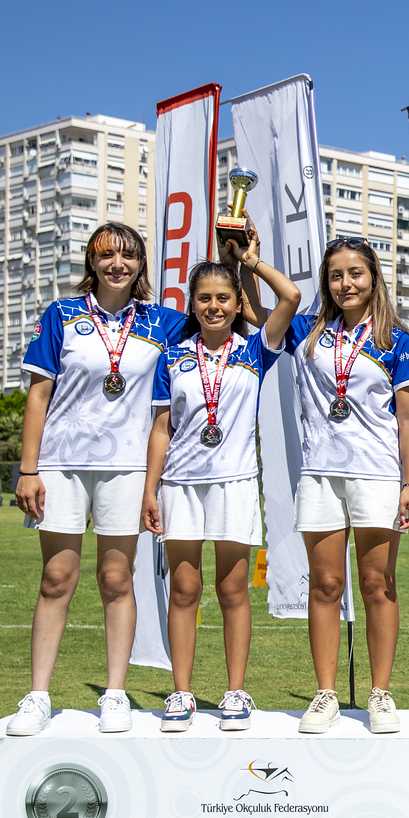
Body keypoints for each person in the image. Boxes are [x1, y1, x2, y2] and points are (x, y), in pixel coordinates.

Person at [6, 223, 189, 736]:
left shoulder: (165, 322)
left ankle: (114, 694)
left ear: (141, 264)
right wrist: (28, 469)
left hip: (128, 467)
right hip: (60, 464)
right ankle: (37, 696)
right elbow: (38, 395)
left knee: (116, 580)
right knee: (56, 579)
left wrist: (237, 254)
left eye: (128, 256)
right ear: (92, 261)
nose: (117, 265)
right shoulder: (62, 314)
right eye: (107, 255)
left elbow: (227, 315)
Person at [142, 225, 301, 731]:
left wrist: (249, 262)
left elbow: (291, 297)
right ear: (192, 304)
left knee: (233, 591)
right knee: (184, 591)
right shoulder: (172, 357)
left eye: (223, 298)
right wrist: (150, 489)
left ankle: (235, 692)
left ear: (237, 305)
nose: (213, 307)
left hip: (234, 482)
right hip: (180, 484)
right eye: (204, 299)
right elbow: (162, 428)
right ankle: (182, 693)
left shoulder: (256, 349)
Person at [289, 238, 409, 734]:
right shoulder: (306, 330)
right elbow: (264, 309)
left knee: (377, 584)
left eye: (355, 273)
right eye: (335, 275)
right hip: (320, 473)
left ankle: (380, 694)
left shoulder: (397, 341)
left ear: (374, 278)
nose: (346, 284)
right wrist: (248, 260)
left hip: (378, 473)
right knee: (325, 585)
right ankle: (325, 693)